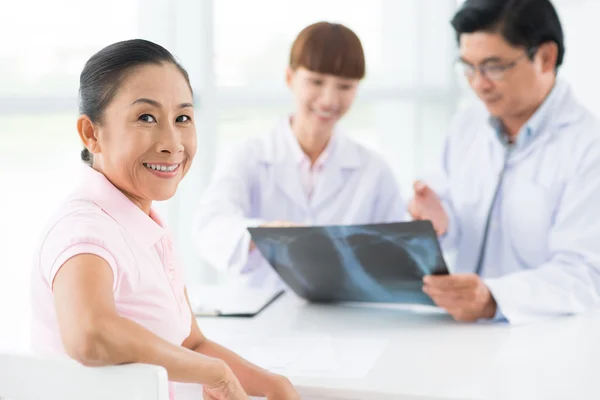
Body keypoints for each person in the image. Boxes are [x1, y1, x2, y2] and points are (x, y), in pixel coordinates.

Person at [30, 39, 299, 400]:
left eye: (182, 118)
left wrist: (272, 385)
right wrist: (214, 374)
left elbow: (191, 341)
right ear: (92, 133)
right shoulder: (85, 229)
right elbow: (89, 335)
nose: (172, 142)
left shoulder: (144, 225)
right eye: (146, 118)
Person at [411, 0, 600, 324]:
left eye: (494, 67)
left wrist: (492, 299)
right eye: (468, 67)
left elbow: (584, 274)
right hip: (462, 335)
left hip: (548, 344)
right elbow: (456, 226)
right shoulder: (465, 126)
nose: (478, 83)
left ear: (545, 57)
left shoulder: (589, 147)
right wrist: (440, 222)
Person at [193, 22, 406, 289]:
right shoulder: (249, 156)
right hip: (261, 314)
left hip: (347, 317)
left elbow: (399, 251)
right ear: (290, 78)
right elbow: (211, 227)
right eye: (316, 81)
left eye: (345, 86)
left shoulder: (373, 169)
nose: (329, 99)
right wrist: (264, 234)